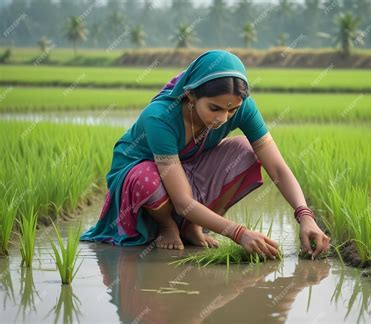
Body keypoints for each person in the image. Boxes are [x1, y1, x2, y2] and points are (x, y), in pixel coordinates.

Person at [80, 50, 330, 260]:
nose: (222, 118)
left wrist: (305, 216)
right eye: (214, 108)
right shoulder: (160, 117)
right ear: (190, 95)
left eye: (232, 111)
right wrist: (238, 232)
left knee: (245, 150)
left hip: (189, 167)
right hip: (140, 174)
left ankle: (192, 227)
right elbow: (182, 201)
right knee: (147, 179)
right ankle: (167, 226)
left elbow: (277, 167)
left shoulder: (240, 107)